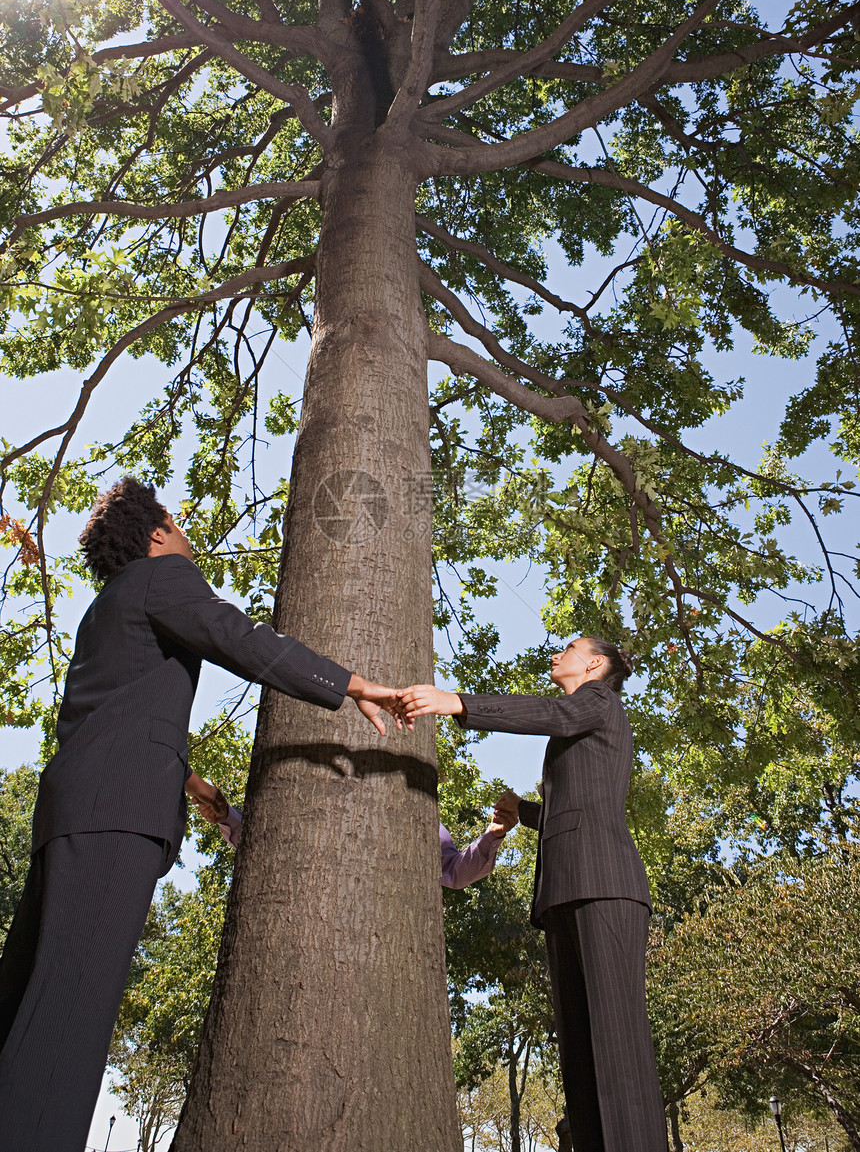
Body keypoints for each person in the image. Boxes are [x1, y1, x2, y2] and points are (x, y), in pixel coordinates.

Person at [0, 477, 406, 1152]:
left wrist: (185, 780)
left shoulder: (102, 610)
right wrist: (354, 683)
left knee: (25, 1007)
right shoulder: (165, 577)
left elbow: (114, 711)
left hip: (72, 809)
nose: (185, 534)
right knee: (68, 1019)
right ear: (156, 532)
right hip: (116, 817)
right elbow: (238, 636)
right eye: (176, 521)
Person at [398, 638, 667, 1152]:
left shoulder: (597, 701)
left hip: (605, 886)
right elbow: (578, 807)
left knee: (617, 1044)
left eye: (569, 647)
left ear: (594, 664)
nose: (555, 654)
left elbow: (554, 715)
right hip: (565, 890)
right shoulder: (587, 719)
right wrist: (524, 811)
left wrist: (457, 702)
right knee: (581, 1051)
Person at [187, 777, 520, 888]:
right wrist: (226, 816)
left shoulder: (421, 823)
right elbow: (270, 844)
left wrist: (492, 835)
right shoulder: (311, 788)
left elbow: (452, 872)